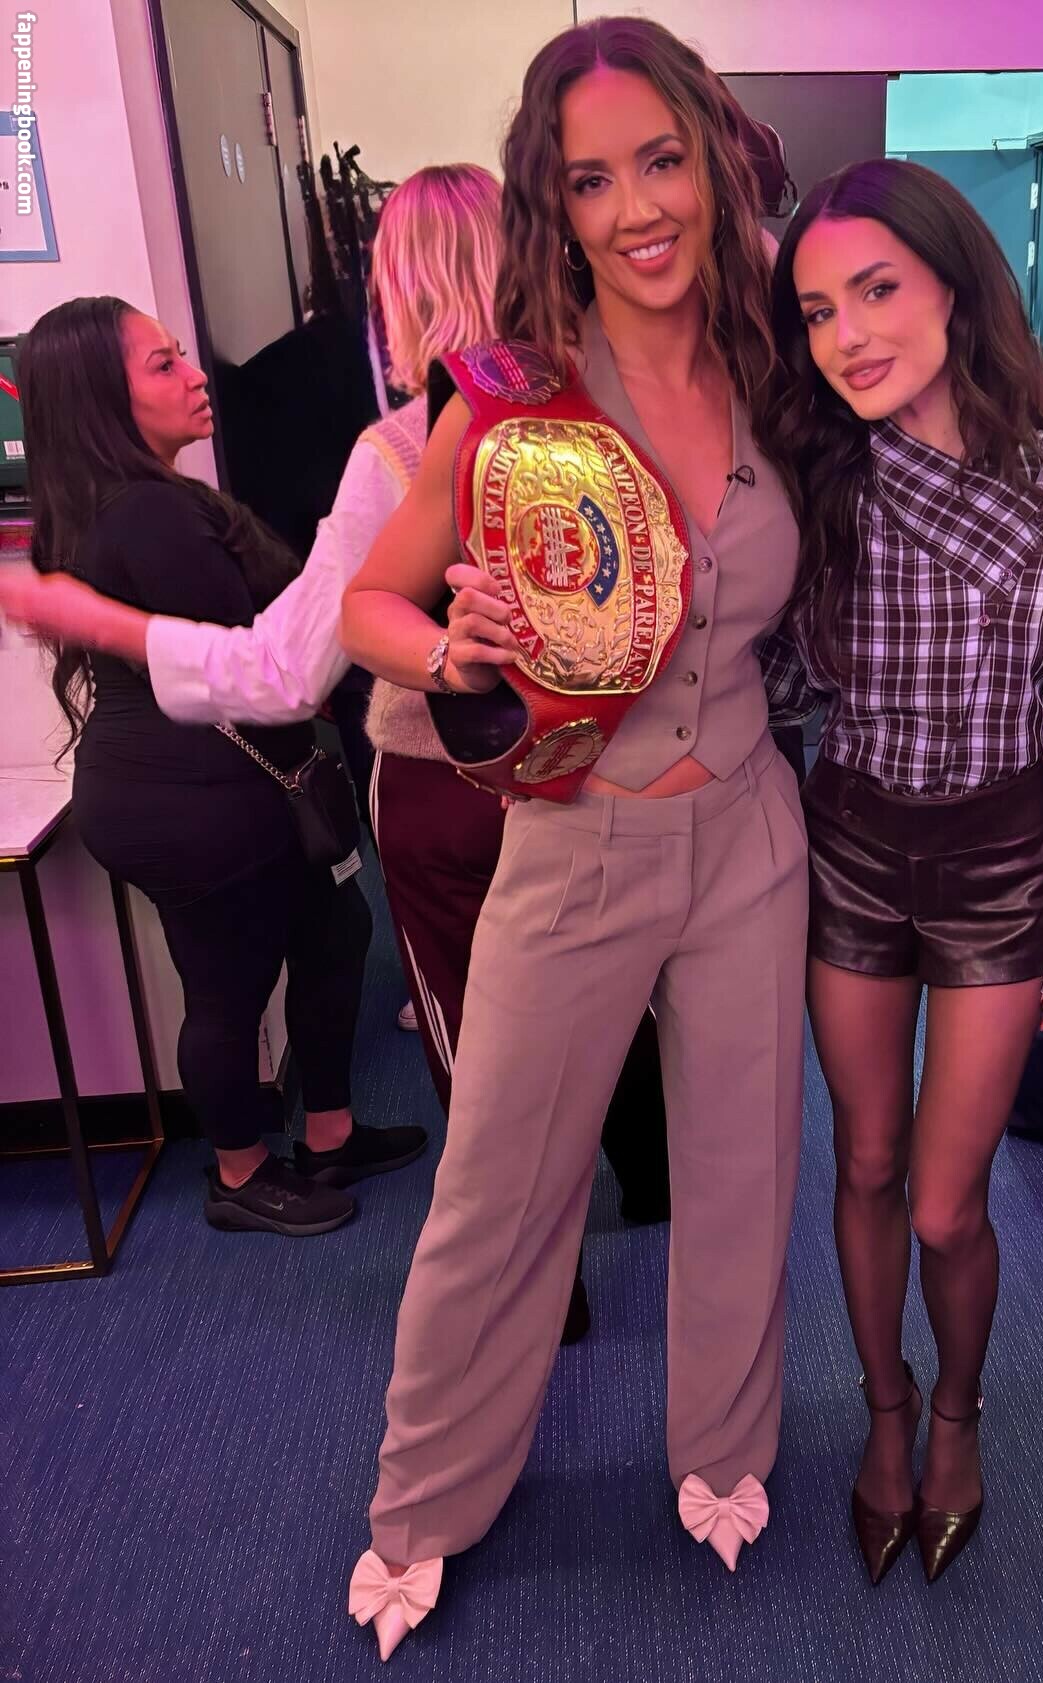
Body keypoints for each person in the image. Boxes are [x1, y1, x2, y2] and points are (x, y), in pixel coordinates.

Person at [0, 165, 670, 1329]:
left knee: (482, 1048)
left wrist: (96, 622)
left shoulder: (403, 450)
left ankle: (542, 1294)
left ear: (405, 291)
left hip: (450, 787)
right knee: (619, 999)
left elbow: (280, 670)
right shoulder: (622, 412)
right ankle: (659, 1190)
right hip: (607, 773)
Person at [338, 17, 807, 1658]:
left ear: (713, 160)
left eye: (660, 162)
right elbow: (367, 604)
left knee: (745, 1164)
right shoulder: (510, 397)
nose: (636, 209)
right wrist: (452, 651)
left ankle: (725, 1448)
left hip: (749, 829)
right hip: (574, 836)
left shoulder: (778, 370)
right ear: (556, 203)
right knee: (498, 1187)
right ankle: (424, 1500)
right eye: (592, 180)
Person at [758, 158, 1043, 1585]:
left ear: (955, 282)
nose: (848, 336)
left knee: (947, 1200)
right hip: (853, 843)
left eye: (876, 290)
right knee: (866, 1161)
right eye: (818, 311)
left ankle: (958, 1410)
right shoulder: (815, 476)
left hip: (1003, 854)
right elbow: (759, 687)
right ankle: (885, 1412)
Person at [17, 297, 427, 1234]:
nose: (198, 375)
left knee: (334, 934)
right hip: (184, 800)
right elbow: (254, 664)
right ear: (102, 400)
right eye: (163, 365)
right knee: (227, 987)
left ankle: (328, 1134)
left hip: (222, 782)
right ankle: (238, 1174)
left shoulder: (153, 499)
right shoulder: (147, 515)